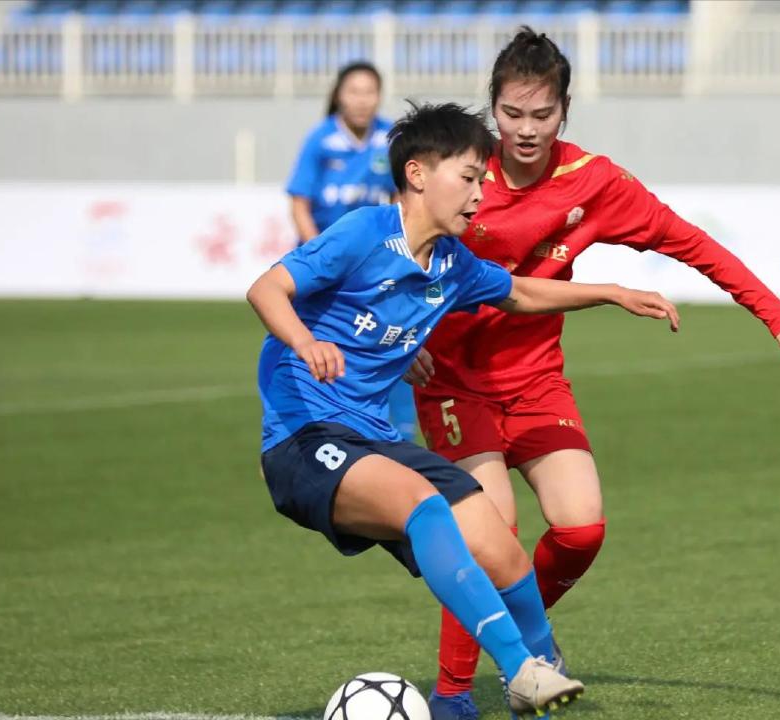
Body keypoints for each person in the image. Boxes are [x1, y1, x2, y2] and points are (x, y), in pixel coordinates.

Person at [415, 28, 780, 720]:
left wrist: (777, 318)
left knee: (581, 530)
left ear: (565, 111)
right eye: (511, 114)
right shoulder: (458, 174)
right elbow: (392, 253)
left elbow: (692, 243)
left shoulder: (594, 183)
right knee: (491, 532)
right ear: (493, 109)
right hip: (452, 381)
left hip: (536, 378)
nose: (524, 130)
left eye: (541, 115)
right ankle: (454, 696)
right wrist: (403, 346)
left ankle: (521, 646)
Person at [249, 102, 681, 715]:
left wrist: (610, 291)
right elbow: (266, 288)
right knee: (424, 506)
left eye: (483, 179)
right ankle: (520, 669)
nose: (481, 194)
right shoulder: (363, 233)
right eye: (470, 177)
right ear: (419, 173)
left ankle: (527, 674)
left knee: (495, 542)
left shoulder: (451, 264)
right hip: (304, 438)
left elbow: (524, 292)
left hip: (373, 439)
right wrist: (306, 342)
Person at [285, 60, 417, 442]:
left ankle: (398, 438)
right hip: (325, 271)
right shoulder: (320, 140)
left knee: (394, 343)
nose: (362, 100)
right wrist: (318, 260)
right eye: (354, 91)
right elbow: (299, 203)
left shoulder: (389, 138)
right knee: (312, 352)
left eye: (369, 92)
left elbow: (400, 200)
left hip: (375, 270)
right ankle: (295, 437)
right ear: (339, 96)